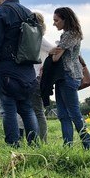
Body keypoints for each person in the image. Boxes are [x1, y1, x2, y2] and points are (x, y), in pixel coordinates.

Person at [0, 0, 39, 147]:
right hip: (28, 69)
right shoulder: (29, 13)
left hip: (6, 68)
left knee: (8, 108)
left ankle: (13, 145)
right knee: (26, 108)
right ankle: (35, 145)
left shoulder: (1, 11)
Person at [50, 7, 90, 149]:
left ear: (65, 19)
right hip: (63, 77)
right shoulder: (68, 35)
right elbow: (57, 53)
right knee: (63, 115)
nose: (54, 23)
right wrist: (55, 50)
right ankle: (68, 147)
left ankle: (88, 146)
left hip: (69, 75)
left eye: (56, 20)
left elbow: (56, 58)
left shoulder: (70, 35)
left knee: (74, 113)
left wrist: (52, 51)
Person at [31, 12, 54, 143]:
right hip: (34, 77)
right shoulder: (36, 38)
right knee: (35, 111)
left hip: (36, 78)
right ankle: (38, 140)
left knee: (38, 112)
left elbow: (54, 49)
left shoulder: (38, 38)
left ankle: (43, 141)